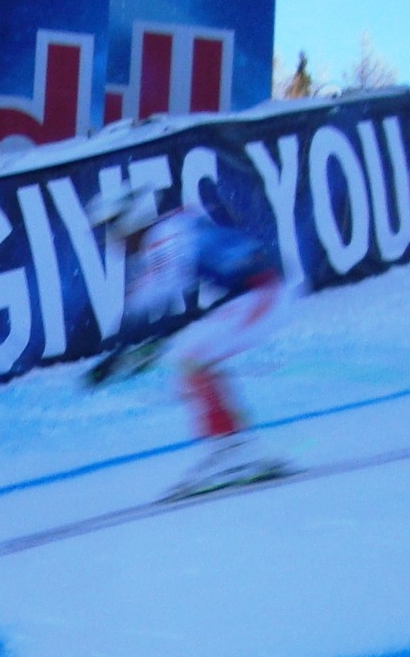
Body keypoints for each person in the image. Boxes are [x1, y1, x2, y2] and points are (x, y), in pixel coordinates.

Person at [94, 187, 289, 494]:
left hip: (262, 293)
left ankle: (230, 450)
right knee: (193, 357)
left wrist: (120, 353)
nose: (112, 240)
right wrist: (122, 351)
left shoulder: (164, 237)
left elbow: (153, 295)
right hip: (256, 291)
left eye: (113, 228)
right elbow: (146, 300)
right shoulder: (166, 233)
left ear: (131, 222)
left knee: (189, 356)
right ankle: (235, 446)